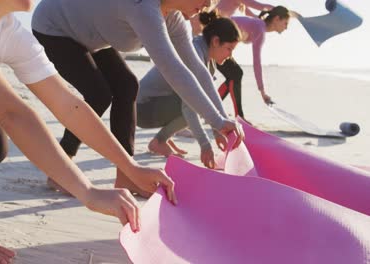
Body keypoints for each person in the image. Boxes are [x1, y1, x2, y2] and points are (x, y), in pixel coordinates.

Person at [0, 0, 177, 263]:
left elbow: (66, 103)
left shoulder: (3, 28)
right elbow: (13, 114)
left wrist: (130, 167)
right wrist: (87, 192)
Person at [32, 0, 245, 192]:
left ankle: (126, 177)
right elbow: (174, 70)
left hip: (91, 36)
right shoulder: (142, 8)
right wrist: (215, 120)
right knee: (98, 94)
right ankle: (59, 169)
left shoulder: (174, 18)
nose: (208, 4)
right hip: (55, 26)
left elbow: (198, 71)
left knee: (126, 86)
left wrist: (220, 120)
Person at [137, 11, 240, 168]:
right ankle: (159, 141)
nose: (230, 55)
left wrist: (219, 131)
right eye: (229, 49)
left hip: (156, 103)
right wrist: (205, 145)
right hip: (140, 108)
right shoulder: (194, 52)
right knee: (195, 102)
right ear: (215, 41)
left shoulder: (207, 59)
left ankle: (161, 139)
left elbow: (210, 96)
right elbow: (191, 106)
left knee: (199, 101)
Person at [192, 6, 290, 119]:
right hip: (215, 44)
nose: (286, 27)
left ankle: (210, 109)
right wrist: (262, 91)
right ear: (277, 19)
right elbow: (256, 60)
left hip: (217, 43)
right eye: (285, 23)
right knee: (236, 73)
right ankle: (237, 116)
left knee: (235, 74)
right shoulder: (260, 28)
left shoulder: (258, 24)